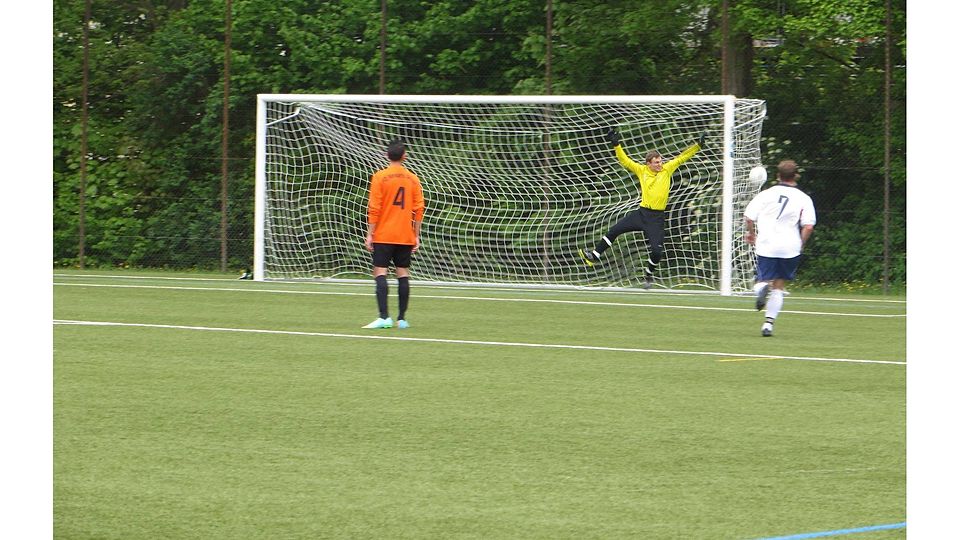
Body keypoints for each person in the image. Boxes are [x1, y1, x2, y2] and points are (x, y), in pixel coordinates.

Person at [579, 128, 705, 289]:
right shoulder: (641, 170)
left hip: (657, 218)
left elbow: (682, 157)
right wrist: (616, 144)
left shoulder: (667, 169)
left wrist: (698, 146)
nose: (660, 164)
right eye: (656, 162)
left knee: (657, 252)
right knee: (615, 230)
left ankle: (648, 275)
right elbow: (625, 160)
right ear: (649, 164)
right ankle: (594, 255)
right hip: (642, 213)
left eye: (660, 161)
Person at [744, 159, 816, 337]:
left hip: (767, 243)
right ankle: (768, 325)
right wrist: (801, 243)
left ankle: (761, 289)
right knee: (778, 285)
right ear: (796, 176)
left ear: (778, 176)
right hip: (789, 246)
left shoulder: (766, 194)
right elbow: (808, 226)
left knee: (762, 280)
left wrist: (751, 234)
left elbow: (749, 216)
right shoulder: (803, 198)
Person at [362, 139, 426, 329]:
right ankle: (402, 319)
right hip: (405, 235)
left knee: (380, 272)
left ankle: (384, 317)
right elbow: (419, 209)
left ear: (387, 155)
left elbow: (374, 208)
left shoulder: (380, 177)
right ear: (404, 156)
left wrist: (369, 234)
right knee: (403, 273)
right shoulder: (413, 178)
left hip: (384, 234)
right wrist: (416, 235)